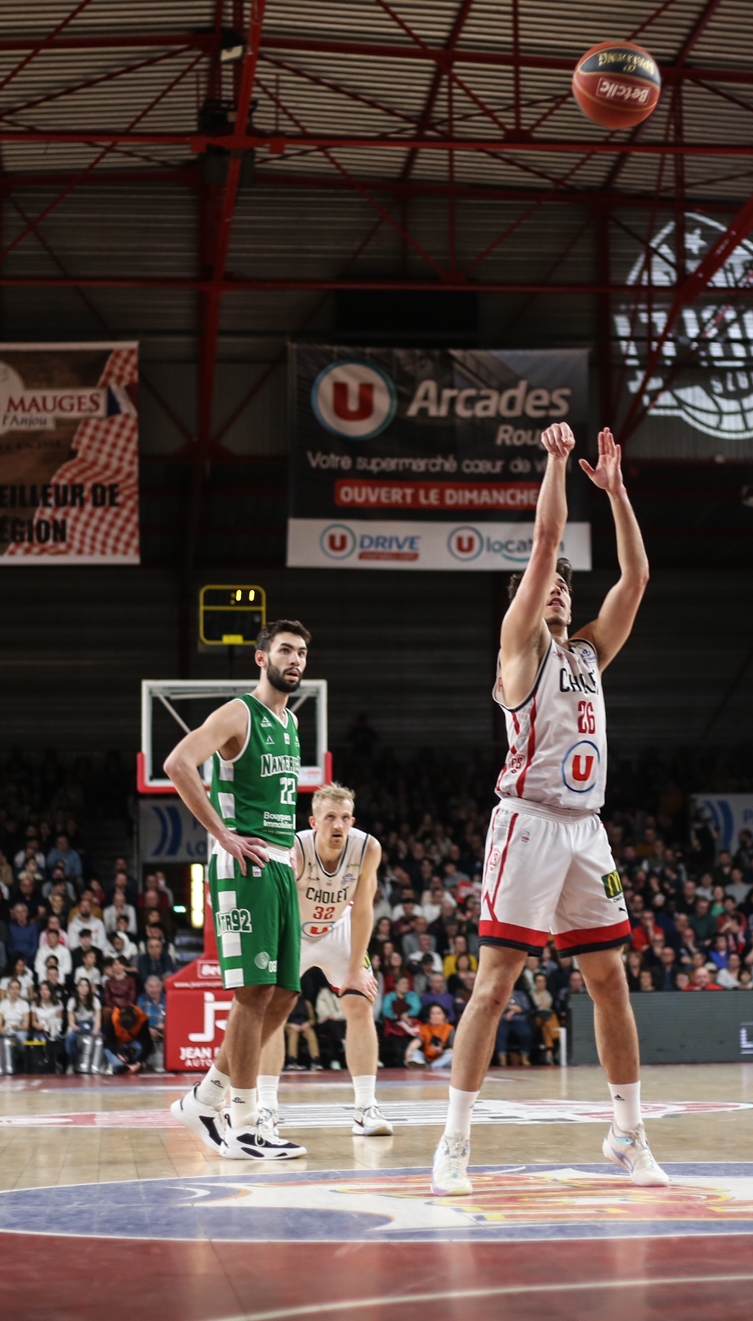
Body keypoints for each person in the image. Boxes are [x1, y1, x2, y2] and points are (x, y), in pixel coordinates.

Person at [434, 422, 662, 1197]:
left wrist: (619, 493)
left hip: (586, 830)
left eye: (568, 581)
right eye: (549, 583)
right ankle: (455, 1142)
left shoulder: (591, 651)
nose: (559, 584)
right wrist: (558, 464)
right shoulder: (520, 648)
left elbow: (635, 579)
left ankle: (627, 1132)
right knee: (494, 986)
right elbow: (543, 539)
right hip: (527, 822)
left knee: (611, 982)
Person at [164, 621, 313, 1161]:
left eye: (301, 652)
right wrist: (222, 835)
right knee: (252, 995)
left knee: (287, 992)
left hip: (278, 862)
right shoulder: (238, 713)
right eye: (285, 651)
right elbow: (178, 763)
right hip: (242, 863)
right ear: (261, 658)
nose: (295, 660)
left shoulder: (292, 723)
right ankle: (246, 1123)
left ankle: (206, 1098)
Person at [252, 783, 392, 1138]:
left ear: (352, 821)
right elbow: (275, 908)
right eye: (330, 817)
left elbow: (362, 911)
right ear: (314, 822)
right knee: (273, 1010)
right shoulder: (294, 849)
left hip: (338, 928)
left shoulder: (367, 848)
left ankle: (365, 1108)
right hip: (293, 933)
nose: (338, 825)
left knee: (360, 1005)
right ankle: (266, 1106)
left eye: (344, 818)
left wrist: (357, 968)